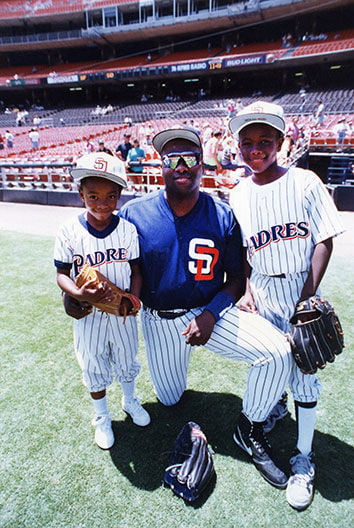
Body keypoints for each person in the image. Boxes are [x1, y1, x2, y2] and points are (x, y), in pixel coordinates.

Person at [119, 127, 293, 489]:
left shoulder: (223, 214)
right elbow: (117, 266)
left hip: (212, 311)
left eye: (190, 158)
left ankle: (250, 427)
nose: (182, 166)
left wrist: (211, 314)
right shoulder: (134, 214)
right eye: (173, 159)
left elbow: (236, 278)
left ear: (203, 164)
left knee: (277, 351)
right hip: (161, 320)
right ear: (161, 165)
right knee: (169, 399)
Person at [228, 101, 344, 511]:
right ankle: (275, 407)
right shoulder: (236, 194)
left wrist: (307, 294)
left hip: (299, 286)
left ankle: (304, 458)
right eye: (247, 142)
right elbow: (240, 251)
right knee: (270, 361)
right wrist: (242, 289)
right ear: (238, 146)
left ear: (280, 142)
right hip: (261, 290)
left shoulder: (306, 182)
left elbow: (324, 239)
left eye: (264, 141)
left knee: (305, 376)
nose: (255, 149)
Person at [54, 152, 150, 450]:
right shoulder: (69, 230)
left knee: (126, 357)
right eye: (92, 196)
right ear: (80, 193)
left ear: (119, 196)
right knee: (94, 364)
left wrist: (133, 299)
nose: (101, 203)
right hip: (89, 314)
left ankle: (130, 400)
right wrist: (77, 294)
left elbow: (136, 269)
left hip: (120, 311)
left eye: (110, 196)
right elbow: (61, 273)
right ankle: (101, 416)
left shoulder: (127, 229)